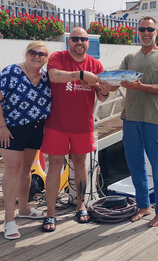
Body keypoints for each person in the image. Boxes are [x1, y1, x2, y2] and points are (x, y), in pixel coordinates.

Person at [40, 27, 111, 232]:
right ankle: (50, 213)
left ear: (88, 43)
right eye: (75, 39)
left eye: (84, 39)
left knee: (80, 164)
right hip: (57, 124)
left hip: (83, 125)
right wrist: (81, 74)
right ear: (68, 42)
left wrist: (105, 92)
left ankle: (81, 206)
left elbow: (101, 95)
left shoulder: (96, 64)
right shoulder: (58, 57)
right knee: (55, 166)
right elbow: (54, 76)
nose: (80, 42)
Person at [0, 41, 52, 240]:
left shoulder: (45, 77)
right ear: (26, 53)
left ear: (46, 58)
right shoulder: (11, 72)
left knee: (26, 169)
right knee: (13, 169)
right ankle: (9, 219)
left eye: (42, 54)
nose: (37, 56)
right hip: (11, 128)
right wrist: (2, 128)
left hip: (34, 127)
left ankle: (24, 208)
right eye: (33, 52)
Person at [118, 16, 158, 227]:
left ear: (156, 31)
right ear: (138, 31)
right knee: (135, 165)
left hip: (152, 119)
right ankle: (144, 205)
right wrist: (103, 84)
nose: (145, 33)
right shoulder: (129, 57)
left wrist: (141, 87)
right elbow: (118, 81)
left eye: (149, 29)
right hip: (130, 118)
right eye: (142, 29)